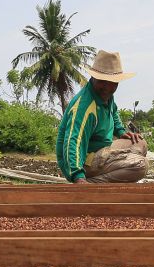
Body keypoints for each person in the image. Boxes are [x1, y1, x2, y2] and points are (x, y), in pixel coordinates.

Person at [56, 50, 148, 184]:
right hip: (84, 160)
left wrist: (121, 131)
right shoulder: (84, 107)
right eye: (103, 81)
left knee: (140, 143)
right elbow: (73, 141)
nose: (108, 87)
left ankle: (105, 176)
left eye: (113, 82)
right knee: (140, 165)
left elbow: (113, 112)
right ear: (94, 78)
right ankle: (92, 183)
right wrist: (77, 176)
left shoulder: (106, 96)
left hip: (102, 150)